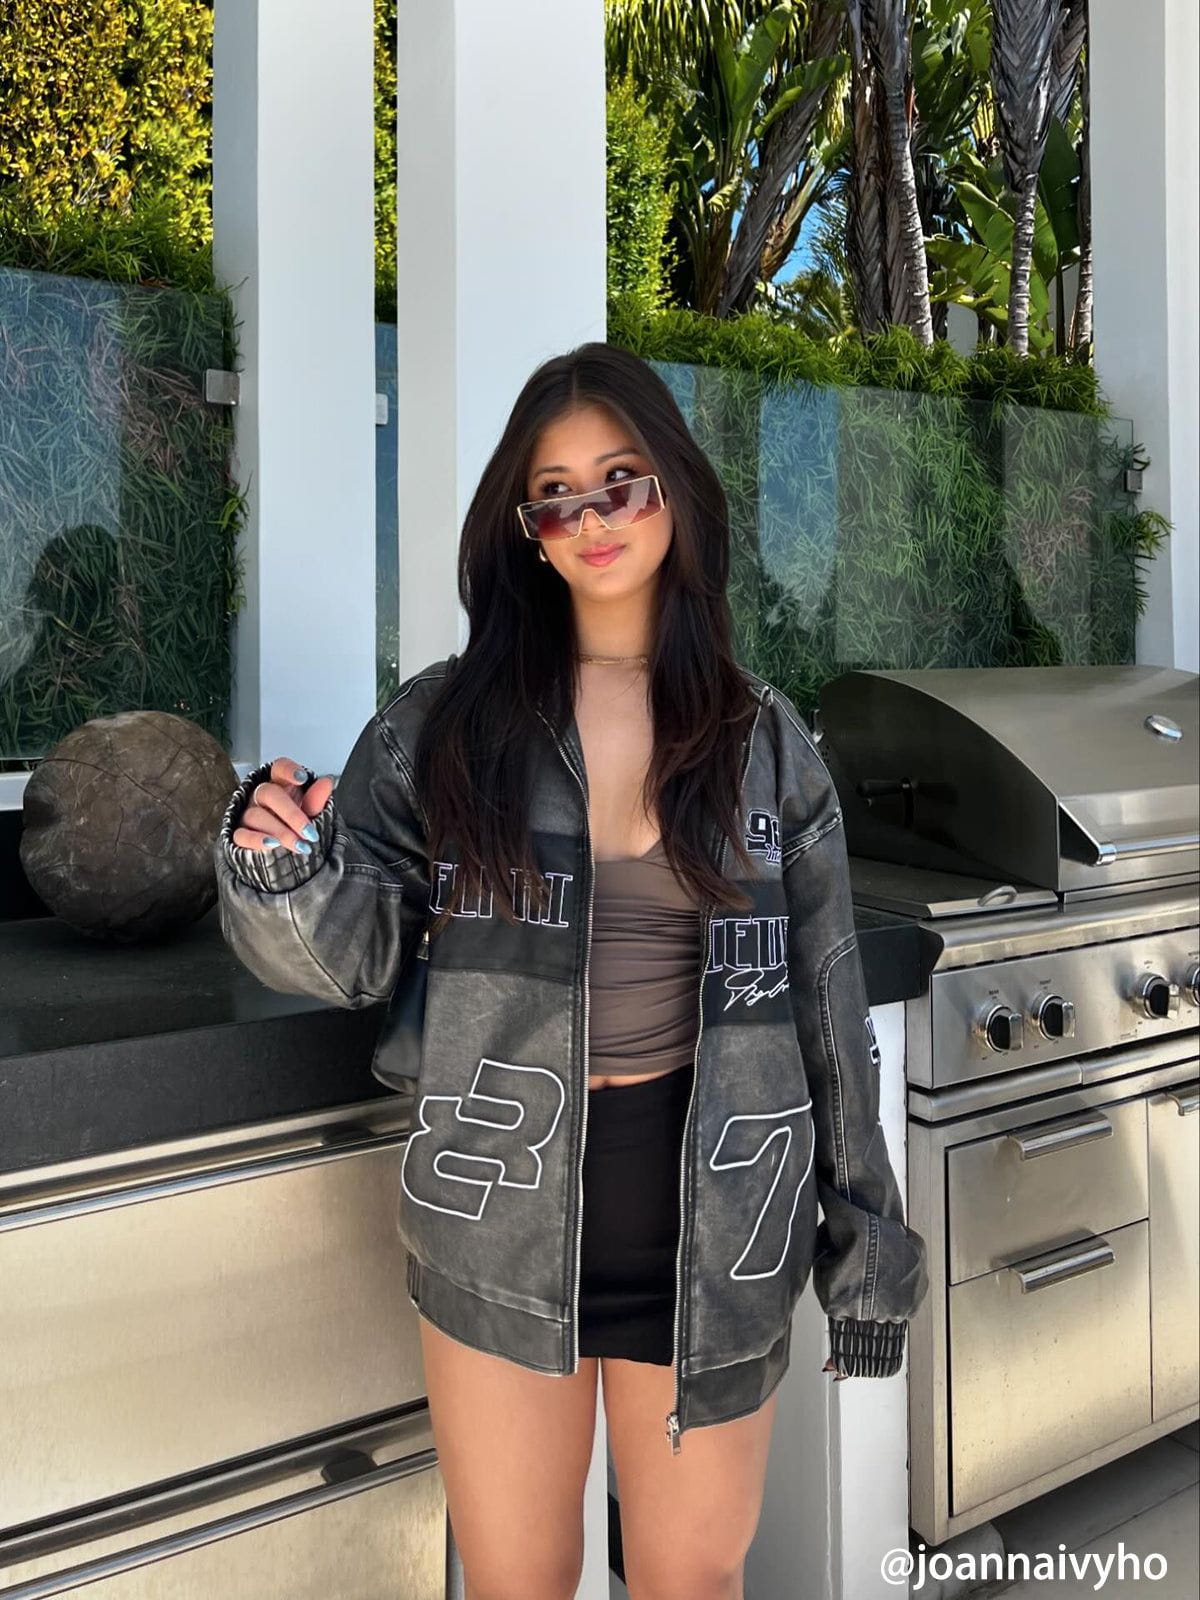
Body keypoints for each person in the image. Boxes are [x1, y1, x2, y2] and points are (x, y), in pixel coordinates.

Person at [213, 342, 928, 1600]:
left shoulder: (763, 744)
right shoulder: (443, 729)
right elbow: (349, 951)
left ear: (676, 491)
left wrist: (867, 1248)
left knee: (692, 1578)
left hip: (722, 1221)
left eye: (620, 481)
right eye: (555, 496)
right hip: (496, 1208)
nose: (591, 518)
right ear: (525, 529)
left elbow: (831, 1016)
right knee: (517, 1583)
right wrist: (276, 863)